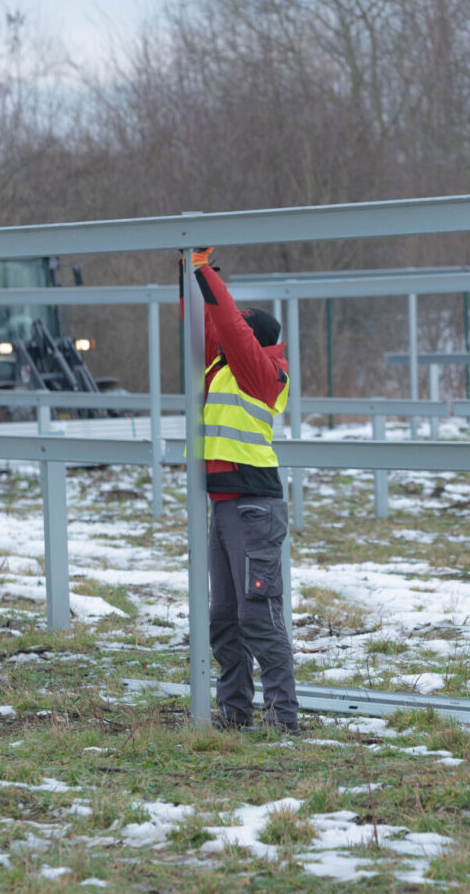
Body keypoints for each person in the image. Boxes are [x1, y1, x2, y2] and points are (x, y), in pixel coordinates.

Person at [185, 247, 299, 733]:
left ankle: (283, 718)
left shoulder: (261, 371)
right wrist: (197, 277)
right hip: (228, 507)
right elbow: (215, 322)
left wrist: (203, 270)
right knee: (225, 619)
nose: (229, 337)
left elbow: (229, 325)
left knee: (259, 617)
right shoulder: (227, 366)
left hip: (253, 506)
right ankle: (235, 713)